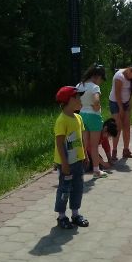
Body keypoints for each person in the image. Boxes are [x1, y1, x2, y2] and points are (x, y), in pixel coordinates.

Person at [53, 86, 90, 229]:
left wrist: (85, 155)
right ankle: (62, 216)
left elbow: (80, 139)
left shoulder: (78, 118)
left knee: (78, 188)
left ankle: (75, 214)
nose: (80, 100)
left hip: (78, 161)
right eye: (78, 98)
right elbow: (59, 143)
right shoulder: (62, 120)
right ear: (68, 100)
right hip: (66, 163)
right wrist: (64, 163)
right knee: (65, 189)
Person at [77, 64, 108, 179]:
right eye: (101, 79)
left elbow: (76, 100)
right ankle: (96, 171)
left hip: (82, 115)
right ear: (97, 76)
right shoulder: (95, 87)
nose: (100, 82)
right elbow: (96, 100)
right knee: (94, 146)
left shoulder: (79, 85)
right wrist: (96, 106)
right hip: (94, 117)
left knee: (83, 144)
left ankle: (77, 168)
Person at [109, 63, 132, 159]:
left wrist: (131, 101)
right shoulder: (119, 77)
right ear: (130, 69)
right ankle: (114, 151)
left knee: (126, 126)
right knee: (118, 126)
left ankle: (126, 150)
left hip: (126, 102)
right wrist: (121, 108)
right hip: (115, 103)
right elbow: (117, 93)